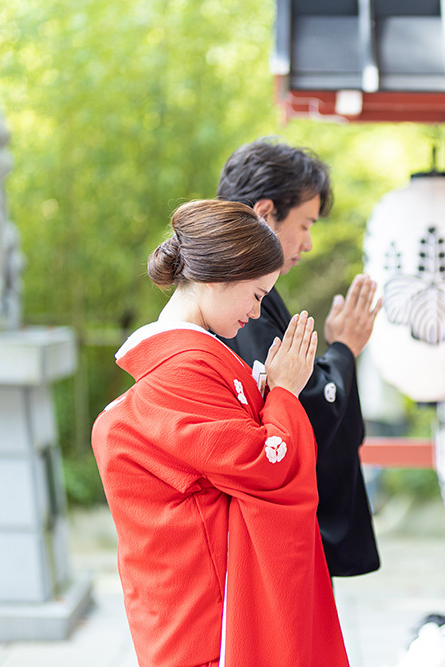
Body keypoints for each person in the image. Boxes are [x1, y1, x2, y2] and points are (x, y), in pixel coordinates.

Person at [91, 199, 350, 667]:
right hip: (210, 616)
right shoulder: (183, 370)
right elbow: (268, 466)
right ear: (214, 277)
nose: (256, 313)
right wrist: (285, 394)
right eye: (255, 295)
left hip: (189, 601)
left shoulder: (186, 364)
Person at [216, 138, 382, 577]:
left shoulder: (236, 292)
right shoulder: (236, 299)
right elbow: (299, 404)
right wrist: (344, 349)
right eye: (305, 224)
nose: (308, 243)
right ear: (266, 212)